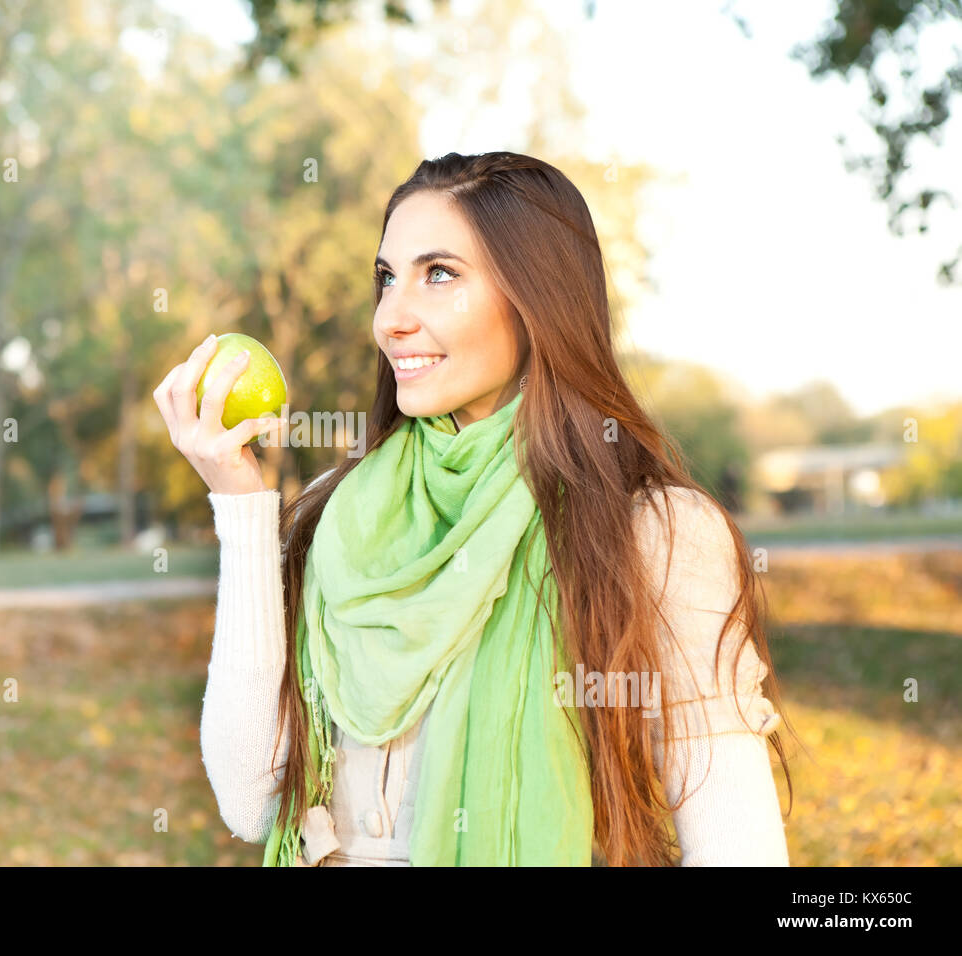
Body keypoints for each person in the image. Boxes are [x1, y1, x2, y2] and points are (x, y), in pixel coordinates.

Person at [154, 151, 793, 866]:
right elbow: (251, 801)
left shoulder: (654, 534)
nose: (391, 318)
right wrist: (240, 508)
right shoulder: (332, 517)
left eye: (440, 275)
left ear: (537, 297)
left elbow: (738, 847)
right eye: (387, 278)